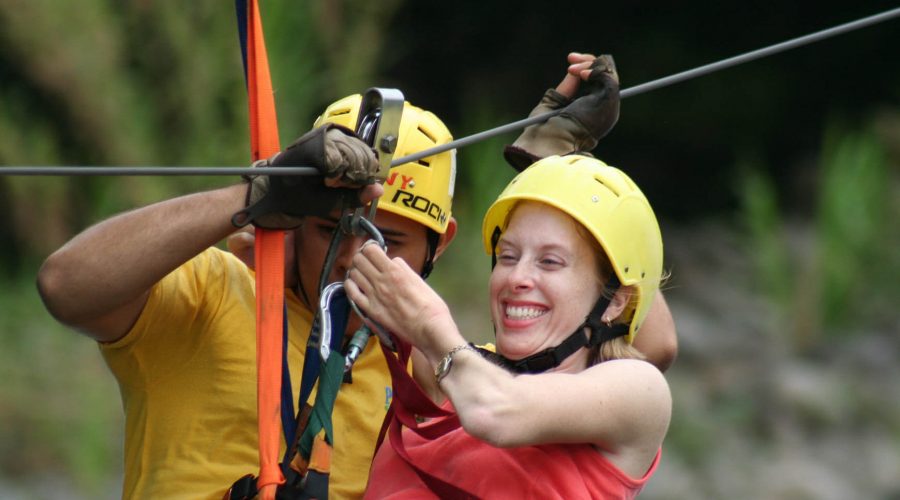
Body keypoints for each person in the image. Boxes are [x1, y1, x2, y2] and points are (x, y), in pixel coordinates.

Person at [36, 53, 675, 499]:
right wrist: (256, 194)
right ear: (293, 219)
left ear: (439, 248)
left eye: (384, 240)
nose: (354, 259)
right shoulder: (211, 291)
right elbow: (66, 287)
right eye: (329, 229)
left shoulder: (425, 357)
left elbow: (631, 341)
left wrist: (555, 170)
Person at [345, 154, 671, 498]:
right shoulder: (452, 374)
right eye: (508, 256)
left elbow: (494, 410)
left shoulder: (638, 390)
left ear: (616, 300)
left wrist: (429, 326)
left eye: (550, 261)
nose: (516, 277)